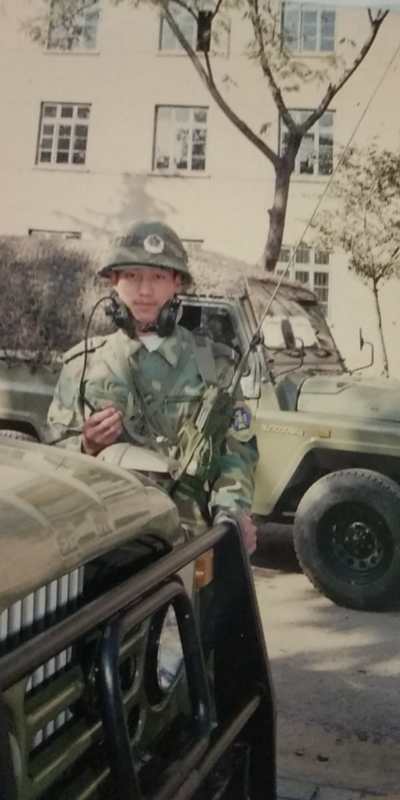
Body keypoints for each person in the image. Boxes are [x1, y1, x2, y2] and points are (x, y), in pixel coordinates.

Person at [47, 220, 258, 552]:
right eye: (132, 276)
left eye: (158, 277)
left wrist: (230, 514)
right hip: (105, 543)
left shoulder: (214, 365)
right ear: (114, 281)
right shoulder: (83, 365)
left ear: (177, 283)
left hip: (190, 544)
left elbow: (237, 455)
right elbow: (53, 460)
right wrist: (86, 445)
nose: (144, 291)